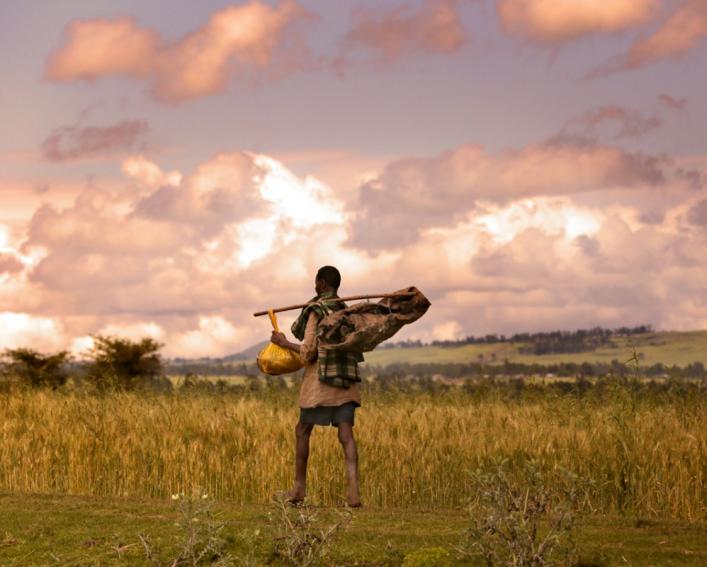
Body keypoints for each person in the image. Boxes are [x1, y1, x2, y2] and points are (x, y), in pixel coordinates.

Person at [270, 265, 362, 507]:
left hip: (321, 383)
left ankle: (298, 490)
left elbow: (308, 352)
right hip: (347, 381)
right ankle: (354, 494)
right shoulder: (346, 312)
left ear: (321, 283)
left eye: (316, 281)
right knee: (346, 434)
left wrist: (283, 342)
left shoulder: (317, 310)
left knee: (302, 430)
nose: (315, 285)